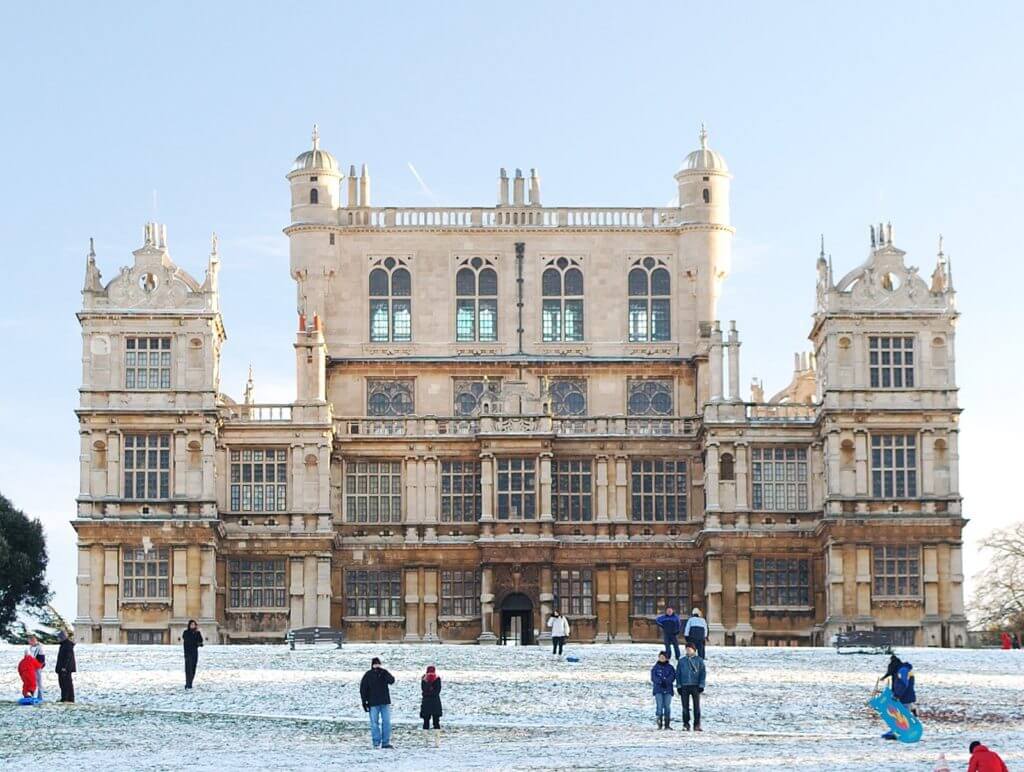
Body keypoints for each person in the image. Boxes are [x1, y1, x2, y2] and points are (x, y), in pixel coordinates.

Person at [360, 657, 396, 749]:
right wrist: (364, 702)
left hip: (384, 702)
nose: (377, 666)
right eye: (375, 664)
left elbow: (391, 680)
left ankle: (385, 742)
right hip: (373, 703)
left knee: (387, 722)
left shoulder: (384, 673)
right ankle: (376, 742)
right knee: (374, 723)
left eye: (378, 664)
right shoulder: (368, 675)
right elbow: (363, 689)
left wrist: (384, 672)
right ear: (372, 665)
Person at [675, 642, 707, 731]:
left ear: (694, 650)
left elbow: (702, 673)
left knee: (696, 706)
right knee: (685, 707)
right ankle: (686, 723)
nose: (688, 651)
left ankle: (697, 724)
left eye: (690, 649)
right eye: (687, 649)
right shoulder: (682, 661)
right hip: (684, 686)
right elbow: (678, 674)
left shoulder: (699, 660)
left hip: (695, 686)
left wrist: (701, 685)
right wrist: (679, 686)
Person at [650, 651, 676, 729]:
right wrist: (660, 682)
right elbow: (653, 677)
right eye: (660, 657)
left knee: (667, 706)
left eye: (663, 657)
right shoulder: (655, 667)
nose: (662, 658)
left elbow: (672, 676)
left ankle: (667, 724)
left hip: (668, 689)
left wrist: (666, 681)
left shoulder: (670, 667)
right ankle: (659, 722)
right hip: (658, 689)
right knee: (659, 706)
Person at [55, 630, 77, 703]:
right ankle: (66, 697)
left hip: (65, 668)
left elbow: (68, 658)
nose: (57, 639)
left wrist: (64, 667)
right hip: (64, 668)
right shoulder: (64, 645)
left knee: (66, 683)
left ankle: (67, 698)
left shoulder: (67, 645)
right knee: (64, 683)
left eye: (59, 637)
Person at [182, 619, 203, 689]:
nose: (192, 626)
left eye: (194, 624)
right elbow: (187, 641)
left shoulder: (197, 633)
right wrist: (195, 643)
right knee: (188, 669)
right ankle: (188, 684)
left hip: (194, 653)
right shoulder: (186, 632)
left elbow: (200, 641)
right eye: (191, 624)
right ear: (189, 625)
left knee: (193, 668)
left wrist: (199, 644)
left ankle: (190, 682)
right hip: (188, 653)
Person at [420, 665, 442, 730]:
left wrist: (428, 686)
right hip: (435, 702)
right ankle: (437, 738)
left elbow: (423, 690)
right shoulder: (437, 678)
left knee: (426, 722)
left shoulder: (424, 678)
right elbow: (437, 691)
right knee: (436, 722)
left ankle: (425, 738)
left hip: (426, 702)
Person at [25, 634, 45, 700]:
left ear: (33, 640)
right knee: (31, 681)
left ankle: (40, 697)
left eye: (30, 641)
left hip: (37, 666)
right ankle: (31, 695)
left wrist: (39, 666)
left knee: (39, 682)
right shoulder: (30, 647)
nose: (29, 643)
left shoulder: (39, 647)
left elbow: (42, 659)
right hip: (31, 667)